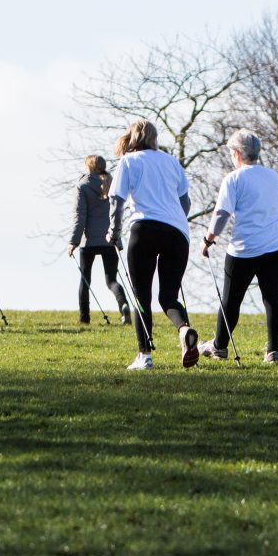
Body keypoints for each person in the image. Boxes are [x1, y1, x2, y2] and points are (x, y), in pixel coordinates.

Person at [108, 120, 195, 370]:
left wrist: (114, 232)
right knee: (168, 295)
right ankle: (184, 329)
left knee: (140, 296)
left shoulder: (128, 161)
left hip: (144, 228)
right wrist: (176, 221)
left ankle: (144, 355)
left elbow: (117, 200)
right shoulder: (170, 161)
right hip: (178, 233)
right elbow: (185, 202)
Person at [200, 129, 278, 364]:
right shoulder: (273, 176)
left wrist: (209, 238)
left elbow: (222, 213)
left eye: (232, 152)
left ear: (238, 154)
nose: (231, 156)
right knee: (273, 299)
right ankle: (274, 350)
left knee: (231, 300)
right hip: (275, 245)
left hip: (244, 248)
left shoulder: (234, 179)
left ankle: (219, 346)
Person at [69, 154, 130, 326]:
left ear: (88, 166)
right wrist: (117, 238)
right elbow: (118, 211)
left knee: (85, 279)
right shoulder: (113, 183)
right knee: (111, 280)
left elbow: (79, 216)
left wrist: (73, 241)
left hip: (88, 241)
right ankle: (123, 304)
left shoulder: (82, 185)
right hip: (110, 240)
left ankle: (84, 318)